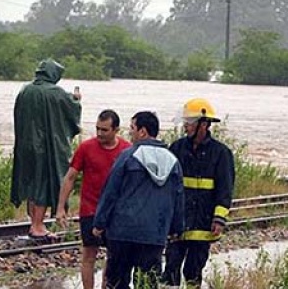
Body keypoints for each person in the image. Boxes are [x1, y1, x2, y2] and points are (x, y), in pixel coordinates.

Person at [92, 111, 184, 289]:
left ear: (142, 131)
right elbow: (178, 198)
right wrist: (176, 229)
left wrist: (99, 223)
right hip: (154, 235)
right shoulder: (173, 161)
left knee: (117, 282)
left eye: (132, 128)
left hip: (122, 232)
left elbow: (111, 191)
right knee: (147, 283)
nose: (130, 133)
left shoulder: (128, 156)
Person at [161, 98, 235, 288]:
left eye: (189, 123)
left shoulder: (221, 153)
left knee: (193, 271)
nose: (185, 127)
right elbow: (168, 186)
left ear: (204, 124)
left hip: (203, 224)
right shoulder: (177, 148)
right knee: (170, 269)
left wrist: (219, 219)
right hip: (178, 223)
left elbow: (225, 190)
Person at [56, 109, 132, 289]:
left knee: (113, 256)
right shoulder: (86, 148)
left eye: (104, 130)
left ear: (116, 130)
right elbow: (70, 177)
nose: (99, 133)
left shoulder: (127, 150)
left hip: (116, 213)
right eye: (97, 128)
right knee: (89, 254)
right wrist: (60, 208)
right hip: (90, 210)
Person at [12, 59, 82, 240]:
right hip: (46, 147)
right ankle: (38, 225)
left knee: (31, 183)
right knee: (43, 184)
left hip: (26, 145)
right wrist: (76, 101)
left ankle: (34, 223)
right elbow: (72, 111)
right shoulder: (56, 93)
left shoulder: (25, 90)